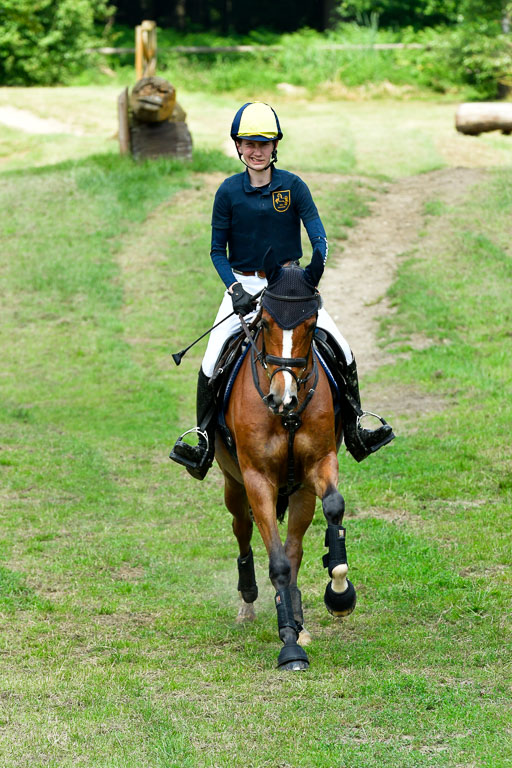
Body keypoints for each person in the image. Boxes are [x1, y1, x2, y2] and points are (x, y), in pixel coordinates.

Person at [170, 101, 394, 480]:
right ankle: (203, 441)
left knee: (342, 348)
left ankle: (356, 428)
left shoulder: (293, 186)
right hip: (244, 285)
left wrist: (314, 269)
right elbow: (215, 251)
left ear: (275, 146)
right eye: (248, 143)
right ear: (238, 147)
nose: (256, 151)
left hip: (290, 286)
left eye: (264, 143)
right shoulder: (227, 192)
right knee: (210, 363)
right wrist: (235, 287)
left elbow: (318, 233)